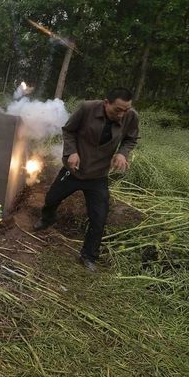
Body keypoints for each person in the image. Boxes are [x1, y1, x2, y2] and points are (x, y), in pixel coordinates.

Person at [33, 87, 139, 271]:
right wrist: (72, 152)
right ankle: (47, 219)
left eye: (126, 110)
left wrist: (122, 153)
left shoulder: (131, 116)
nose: (122, 114)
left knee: (99, 217)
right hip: (75, 170)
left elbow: (131, 139)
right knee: (52, 198)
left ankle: (89, 256)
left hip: (98, 175)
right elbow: (68, 131)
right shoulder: (87, 108)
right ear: (106, 103)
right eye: (118, 110)